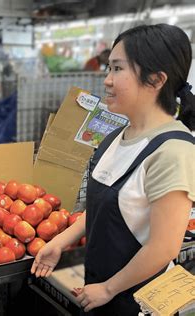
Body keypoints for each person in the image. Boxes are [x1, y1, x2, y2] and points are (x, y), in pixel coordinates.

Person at [32, 24, 194, 315]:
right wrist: (60, 241)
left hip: (139, 302)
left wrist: (109, 288)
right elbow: (101, 209)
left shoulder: (173, 151)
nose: (106, 80)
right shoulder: (115, 138)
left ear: (156, 79)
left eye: (118, 69)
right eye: (109, 68)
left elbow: (164, 248)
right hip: (101, 291)